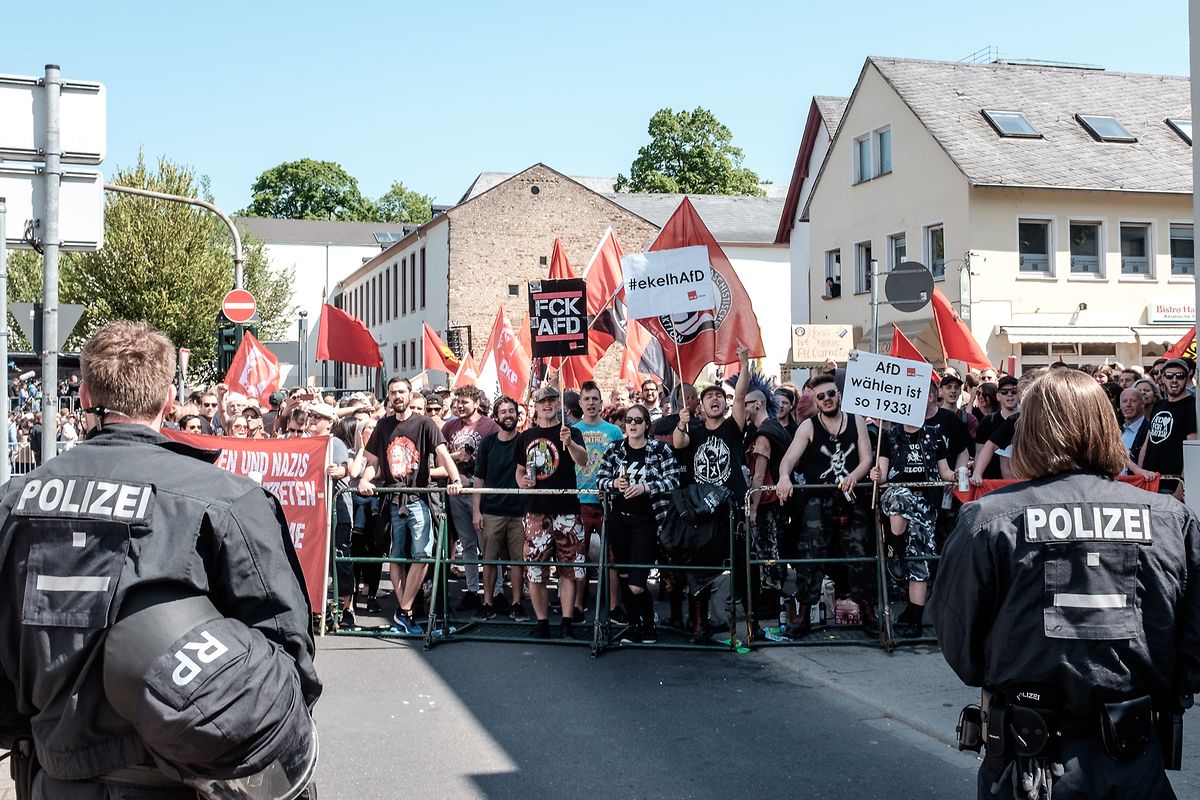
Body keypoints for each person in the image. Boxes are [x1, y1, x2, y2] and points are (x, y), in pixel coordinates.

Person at [0, 321, 321, 799]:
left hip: (57, 778)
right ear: (169, 398)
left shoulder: (15, 502)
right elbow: (288, 661)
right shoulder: (229, 499)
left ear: (84, 394)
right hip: (184, 780)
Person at [931, 369, 1200, 800]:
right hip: (1129, 762)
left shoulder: (988, 521)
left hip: (1032, 767)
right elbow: (1192, 652)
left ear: (1031, 431)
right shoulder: (1169, 519)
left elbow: (961, 646)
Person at [358, 376, 464, 635]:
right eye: (393, 392)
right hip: (393, 499)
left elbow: (442, 453)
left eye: (402, 392)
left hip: (418, 498)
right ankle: (404, 613)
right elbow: (373, 463)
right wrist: (364, 478)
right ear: (389, 397)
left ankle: (403, 609)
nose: (397, 396)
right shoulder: (383, 425)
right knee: (396, 556)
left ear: (410, 394)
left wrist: (456, 478)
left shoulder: (425, 423)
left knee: (423, 554)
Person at [775, 372, 877, 636]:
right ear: (816, 401)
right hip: (817, 500)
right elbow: (787, 460)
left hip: (851, 497)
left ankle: (867, 611)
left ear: (839, 395)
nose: (827, 399)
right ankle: (804, 614)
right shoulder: (808, 427)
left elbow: (867, 458)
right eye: (821, 396)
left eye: (831, 393)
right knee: (811, 554)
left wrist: (854, 476)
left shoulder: (856, 421)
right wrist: (784, 477)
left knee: (860, 554)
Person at [672, 345, 751, 640]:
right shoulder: (693, 430)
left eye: (719, 396)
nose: (714, 400)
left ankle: (745, 625)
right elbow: (679, 444)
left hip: (730, 510)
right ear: (700, 407)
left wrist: (743, 363)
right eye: (709, 397)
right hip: (702, 511)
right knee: (699, 568)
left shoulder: (732, 428)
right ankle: (699, 622)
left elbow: (741, 395)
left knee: (739, 565)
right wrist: (682, 421)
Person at [870, 378, 958, 639]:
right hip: (896, 496)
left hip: (924, 505)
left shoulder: (934, 436)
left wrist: (960, 474)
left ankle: (915, 616)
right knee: (902, 497)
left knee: (919, 560)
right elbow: (884, 475)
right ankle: (895, 547)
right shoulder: (889, 436)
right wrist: (877, 474)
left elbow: (945, 472)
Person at [596, 404, 682, 643]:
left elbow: (673, 481)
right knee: (623, 576)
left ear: (646, 424)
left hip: (647, 522)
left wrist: (646, 487)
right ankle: (635, 626)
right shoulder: (614, 450)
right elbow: (599, 479)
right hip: (618, 520)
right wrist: (614, 484)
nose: (632, 424)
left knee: (637, 583)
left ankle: (649, 623)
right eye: (629, 420)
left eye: (638, 420)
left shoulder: (660, 450)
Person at [515, 386, 588, 639]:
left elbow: (583, 460)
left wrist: (569, 443)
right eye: (542, 401)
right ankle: (542, 623)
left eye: (551, 400)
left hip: (566, 511)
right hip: (536, 512)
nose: (547, 405)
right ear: (535, 406)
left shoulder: (572, 431)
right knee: (535, 571)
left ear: (559, 405)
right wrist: (522, 481)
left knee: (570, 570)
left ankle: (567, 622)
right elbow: (520, 470)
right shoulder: (526, 436)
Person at [441, 386, 500, 612]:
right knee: (467, 542)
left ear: (476, 402)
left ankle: (495, 591)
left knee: (488, 543)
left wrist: (473, 480)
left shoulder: (489, 426)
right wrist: (457, 461)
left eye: (464, 402)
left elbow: (496, 461)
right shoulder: (449, 426)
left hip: (480, 492)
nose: (459, 406)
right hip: (457, 492)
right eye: (457, 402)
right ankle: (472, 589)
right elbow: (441, 457)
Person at [571, 381, 624, 623]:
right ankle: (578, 605)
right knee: (578, 556)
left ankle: (614, 606)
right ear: (580, 403)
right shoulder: (572, 430)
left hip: (606, 501)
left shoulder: (613, 432)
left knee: (611, 556)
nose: (591, 403)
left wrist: (615, 487)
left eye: (595, 399)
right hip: (579, 500)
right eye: (587, 399)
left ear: (601, 403)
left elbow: (622, 464)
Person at [472, 396, 528, 621]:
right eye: (503, 412)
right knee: (489, 560)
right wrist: (476, 510)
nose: (508, 415)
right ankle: (488, 602)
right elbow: (479, 478)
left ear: (517, 415)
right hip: (492, 510)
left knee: (517, 562)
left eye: (511, 411)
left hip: (519, 512)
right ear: (496, 416)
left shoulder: (525, 441)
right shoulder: (488, 442)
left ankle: (516, 603)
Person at [306, 401, 355, 629]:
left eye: (317, 417)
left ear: (329, 423)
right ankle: (320, 608)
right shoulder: (304, 443)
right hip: (313, 510)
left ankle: (347, 608)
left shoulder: (334, 443)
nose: (312, 420)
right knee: (317, 560)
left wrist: (339, 471)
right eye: (311, 416)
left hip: (336, 510)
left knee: (340, 557)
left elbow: (344, 467)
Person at [1138, 357, 1197, 501]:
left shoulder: (1192, 406)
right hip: (1149, 482)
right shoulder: (1159, 405)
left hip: (1172, 485)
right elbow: (1148, 443)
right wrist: (1139, 475)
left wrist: (1181, 488)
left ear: (1188, 377)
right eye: (1169, 376)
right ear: (1162, 379)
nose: (1174, 380)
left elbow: (1192, 452)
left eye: (1180, 376)